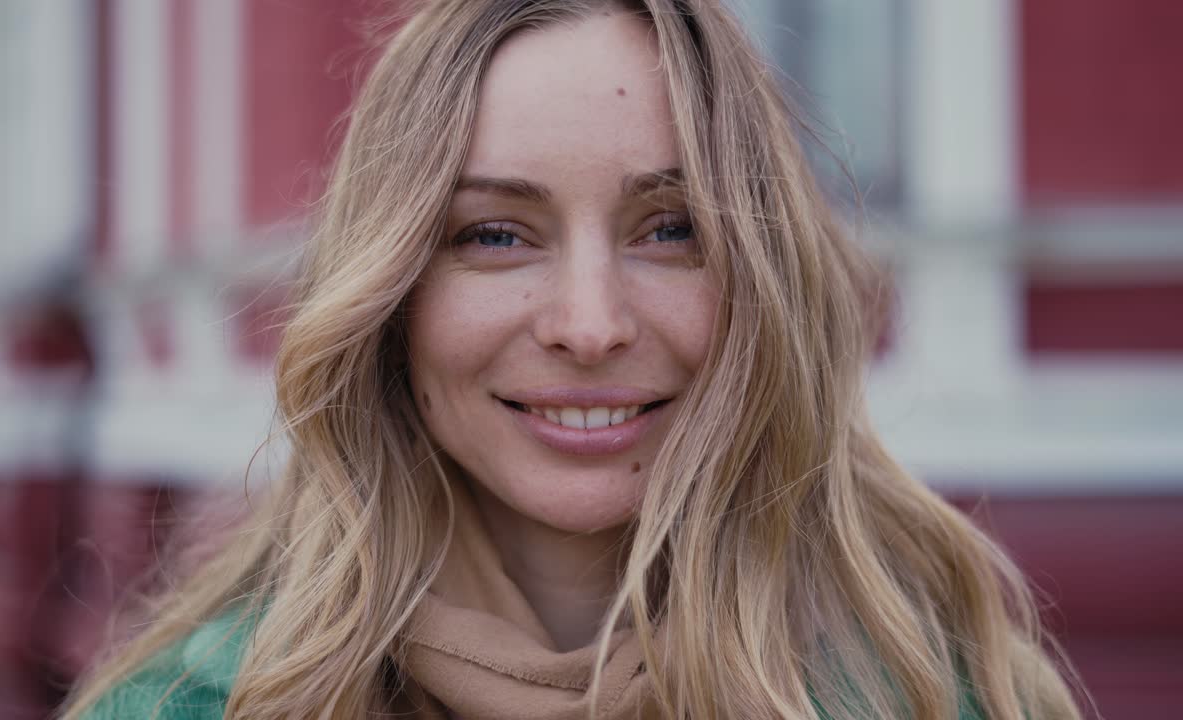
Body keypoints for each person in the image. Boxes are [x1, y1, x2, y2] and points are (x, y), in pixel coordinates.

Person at [63, 1, 1085, 718]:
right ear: (391, 297)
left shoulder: (944, 698)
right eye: (496, 235)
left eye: (670, 229)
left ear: (764, 278)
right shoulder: (194, 709)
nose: (588, 326)